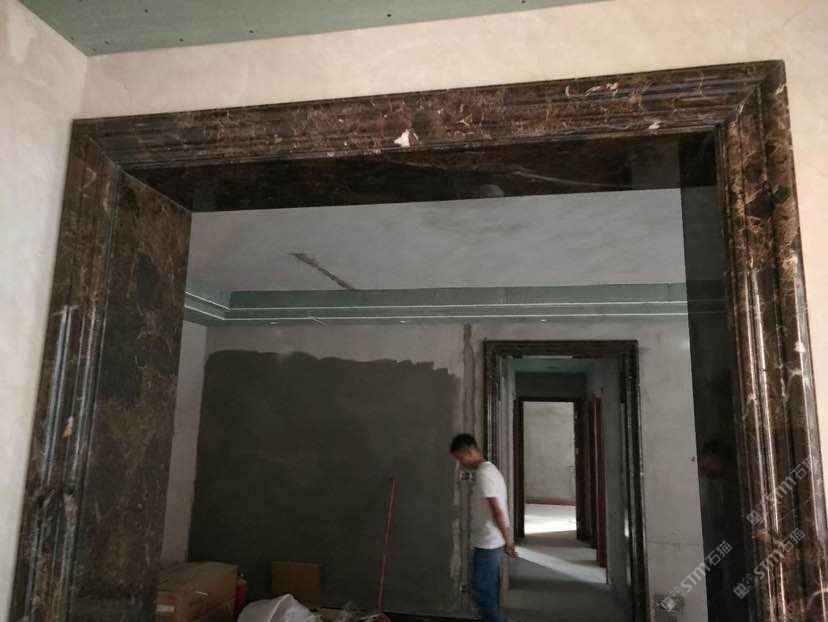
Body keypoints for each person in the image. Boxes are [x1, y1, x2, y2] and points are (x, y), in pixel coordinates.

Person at [450, 433, 516, 622]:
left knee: (481, 591)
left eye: (461, 458)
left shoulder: (485, 474)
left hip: (489, 542)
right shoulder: (488, 471)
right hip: (488, 542)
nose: (461, 464)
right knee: (486, 591)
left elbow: (497, 510)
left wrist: (509, 540)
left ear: (471, 452)